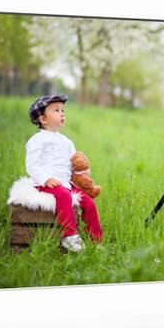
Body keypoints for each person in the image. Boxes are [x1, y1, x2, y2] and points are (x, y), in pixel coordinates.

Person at [25, 94, 103, 252]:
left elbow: (73, 164)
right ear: (43, 119)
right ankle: (69, 236)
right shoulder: (37, 140)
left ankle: (97, 240)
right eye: (56, 110)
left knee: (89, 202)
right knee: (63, 195)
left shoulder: (67, 142)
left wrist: (82, 173)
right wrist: (45, 179)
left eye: (62, 110)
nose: (62, 113)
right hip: (45, 184)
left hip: (67, 184)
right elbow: (32, 165)